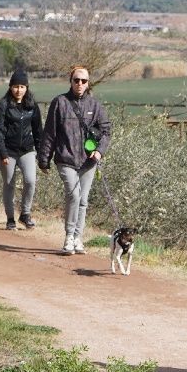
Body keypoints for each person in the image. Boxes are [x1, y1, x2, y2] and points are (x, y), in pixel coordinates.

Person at [41, 65, 112, 255]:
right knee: (73, 194)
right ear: (70, 81)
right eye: (76, 80)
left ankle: (78, 238)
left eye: (84, 81)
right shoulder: (60, 102)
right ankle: (69, 236)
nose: (80, 84)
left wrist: (99, 151)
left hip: (89, 161)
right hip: (65, 158)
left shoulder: (95, 106)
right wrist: (44, 159)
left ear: (88, 83)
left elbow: (106, 131)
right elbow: (49, 133)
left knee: (83, 199)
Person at [0, 69, 43, 231]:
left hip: (27, 149)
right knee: (9, 183)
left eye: (22, 86)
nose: (18, 90)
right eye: (15, 86)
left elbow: (38, 131)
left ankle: (25, 214)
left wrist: (42, 154)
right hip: (7, 150)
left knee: (30, 180)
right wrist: (2, 152)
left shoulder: (32, 106)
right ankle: (10, 219)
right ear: (10, 87)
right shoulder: (4, 104)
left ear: (27, 87)